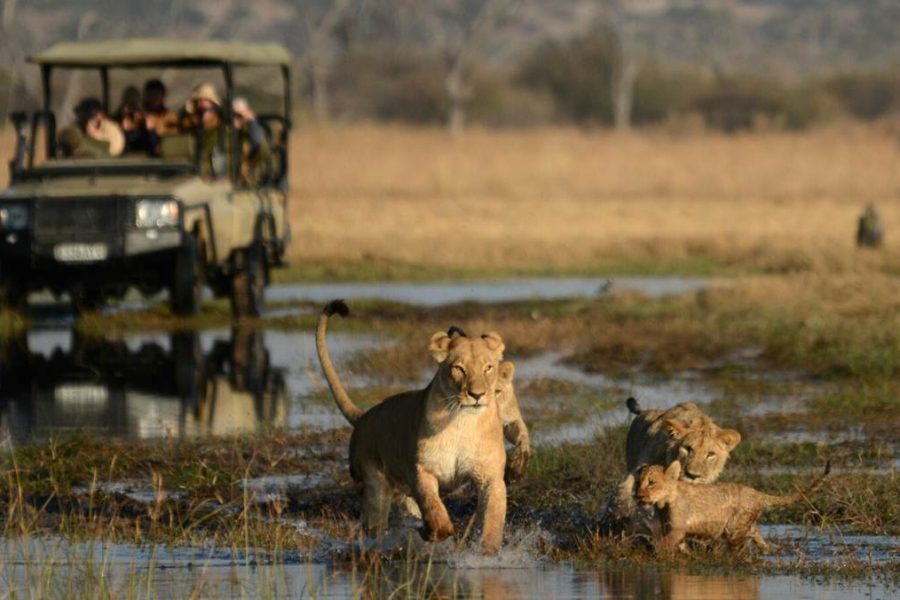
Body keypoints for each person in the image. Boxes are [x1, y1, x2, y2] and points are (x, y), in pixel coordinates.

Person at [180, 82, 223, 176]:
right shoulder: (192, 119)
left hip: (214, 165)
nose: (201, 104)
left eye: (204, 100)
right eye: (198, 101)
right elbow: (182, 125)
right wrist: (191, 114)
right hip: (195, 163)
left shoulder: (220, 118)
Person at [58, 98, 125, 158]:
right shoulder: (81, 127)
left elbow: (111, 150)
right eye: (82, 119)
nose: (84, 123)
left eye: (86, 119)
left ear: (100, 115)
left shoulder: (111, 130)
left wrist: (94, 134)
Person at [232, 97, 270, 184]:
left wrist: (252, 122)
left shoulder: (251, 132)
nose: (235, 119)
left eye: (239, 116)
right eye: (233, 116)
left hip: (247, 180)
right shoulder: (227, 133)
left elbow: (260, 147)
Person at [142, 79, 179, 155]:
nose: (154, 99)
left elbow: (175, 136)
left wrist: (155, 128)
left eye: (157, 95)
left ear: (163, 96)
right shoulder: (141, 115)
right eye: (151, 95)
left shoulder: (171, 116)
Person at [115, 85, 147, 153]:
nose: (131, 111)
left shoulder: (143, 120)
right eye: (128, 104)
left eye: (133, 105)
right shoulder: (116, 119)